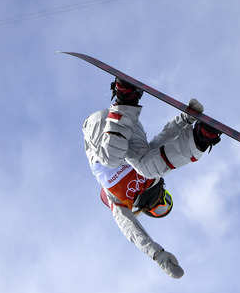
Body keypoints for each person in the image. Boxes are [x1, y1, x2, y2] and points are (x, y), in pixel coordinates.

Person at [82, 77, 222, 278]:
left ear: (147, 211)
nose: (159, 202)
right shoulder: (151, 175)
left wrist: (158, 255)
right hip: (126, 125)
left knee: (119, 161)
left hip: (99, 134)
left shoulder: (118, 201)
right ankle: (201, 138)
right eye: (164, 202)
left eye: (158, 208)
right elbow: (164, 140)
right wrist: (186, 118)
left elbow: (134, 233)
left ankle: (124, 99)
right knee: (150, 166)